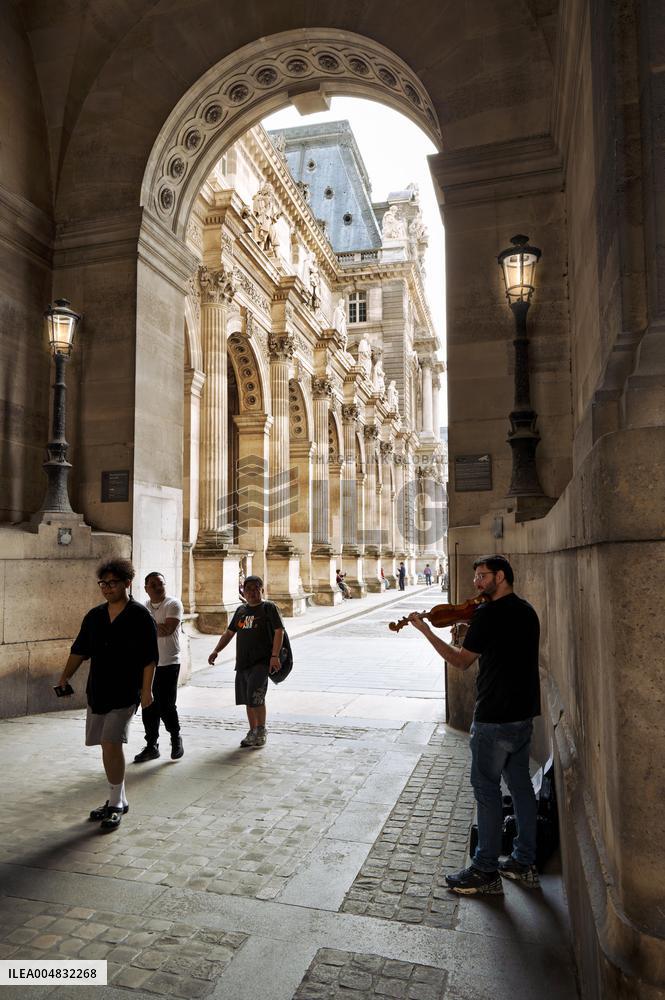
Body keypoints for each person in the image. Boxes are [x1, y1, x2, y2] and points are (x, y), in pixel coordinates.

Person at [406, 555, 541, 895]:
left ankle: (485, 871)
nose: (477, 584)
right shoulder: (526, 611)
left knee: (486, 791)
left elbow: (460, 662)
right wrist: (471, 633)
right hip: (523, 713)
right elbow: (503, 649)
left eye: (482, 577)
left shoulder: (488, 615)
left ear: (501, 576)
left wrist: (425, 631)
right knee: (521, 787)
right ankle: (524, 862)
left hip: (494, 717)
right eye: (476, 577)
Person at [56, 559, 158, 832]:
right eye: (103, 583)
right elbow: (79, 649)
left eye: (112, 583)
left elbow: (150, 657)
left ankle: (114, 805)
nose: (107, 588)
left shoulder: (139, 616)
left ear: (127, 583)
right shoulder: (95, 616)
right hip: (98, 688)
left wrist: (146, 690)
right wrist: (65, 676)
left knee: (111, 742)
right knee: (105, 745)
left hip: (126, 690)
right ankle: (118, 798)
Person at [207, 576, 284, 749]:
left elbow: (279, 631)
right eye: (248, 588)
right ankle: (252, 731)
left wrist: (274, 656)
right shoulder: (241, 610)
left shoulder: (268, 608)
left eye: (256, 588)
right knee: (247, 698)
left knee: (256, 695)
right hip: (243, 662)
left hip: (261, 661)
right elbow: (229, 633)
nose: (252, 592)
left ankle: (261, 730)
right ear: (243, 591)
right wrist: (216, 650)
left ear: (262, 589)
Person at [134, 572, 184, 763]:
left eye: (160, 583)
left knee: (167, 705)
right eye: (153, 585)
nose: (157, 587)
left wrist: (146, 627)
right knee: (148, 704)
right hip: (148, 664)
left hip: (169, 662)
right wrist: (152, 627)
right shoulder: (143, 607)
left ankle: (175, 737)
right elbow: (142, 633)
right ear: (146, 588)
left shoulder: (173, 604)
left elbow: (167, 630)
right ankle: (151, 745)